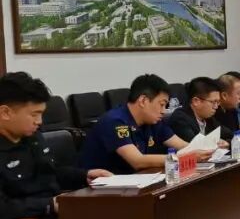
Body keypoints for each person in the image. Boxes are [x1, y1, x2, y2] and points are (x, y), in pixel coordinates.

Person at [0, 72, 111, 219]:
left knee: (114, 217)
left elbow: (50, 173)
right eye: (34, 114)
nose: (39, 121)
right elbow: (3, 208)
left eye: (41, 114)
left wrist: (84, 175)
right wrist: (50, 204)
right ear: (5, 113)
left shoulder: (32, 136)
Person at [79, 74, 210, 173]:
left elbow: (184, 146)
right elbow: (137, 161)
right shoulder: (115, 121)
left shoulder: (153, 121)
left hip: (133, 182)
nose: (163, 111)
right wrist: (182, 157)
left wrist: (207, 149)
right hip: (96, 188)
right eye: (162, 104)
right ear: (143, 101)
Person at [168, 77, 232, 142]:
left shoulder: (208, 118)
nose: (216, 107)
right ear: (196, 101)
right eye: (213, 102)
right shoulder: (180, 119)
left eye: (218, 102)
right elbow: (195, 144)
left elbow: (230, 134)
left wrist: (227, 143)